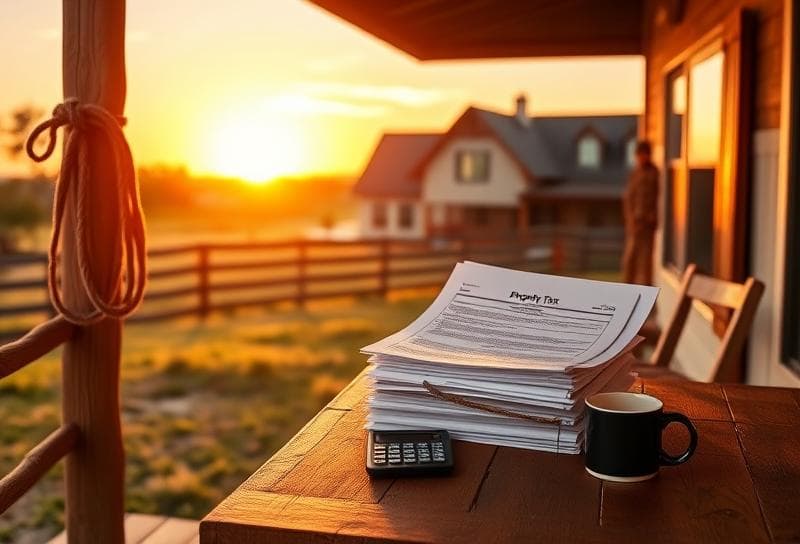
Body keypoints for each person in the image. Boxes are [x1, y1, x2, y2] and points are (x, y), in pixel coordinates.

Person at [622, 140, 659, 285]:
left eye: (644, 154)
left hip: (647, 226)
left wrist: (651, 216)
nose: (641, 158)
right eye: (639, 155)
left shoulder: (654, 173)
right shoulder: (634, 174)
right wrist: (630, 219)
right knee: (630, 260)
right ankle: (627, 291)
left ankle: (647, 297)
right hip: (634, 224)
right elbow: (628, 198)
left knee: (645, 264)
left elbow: (656, 197)